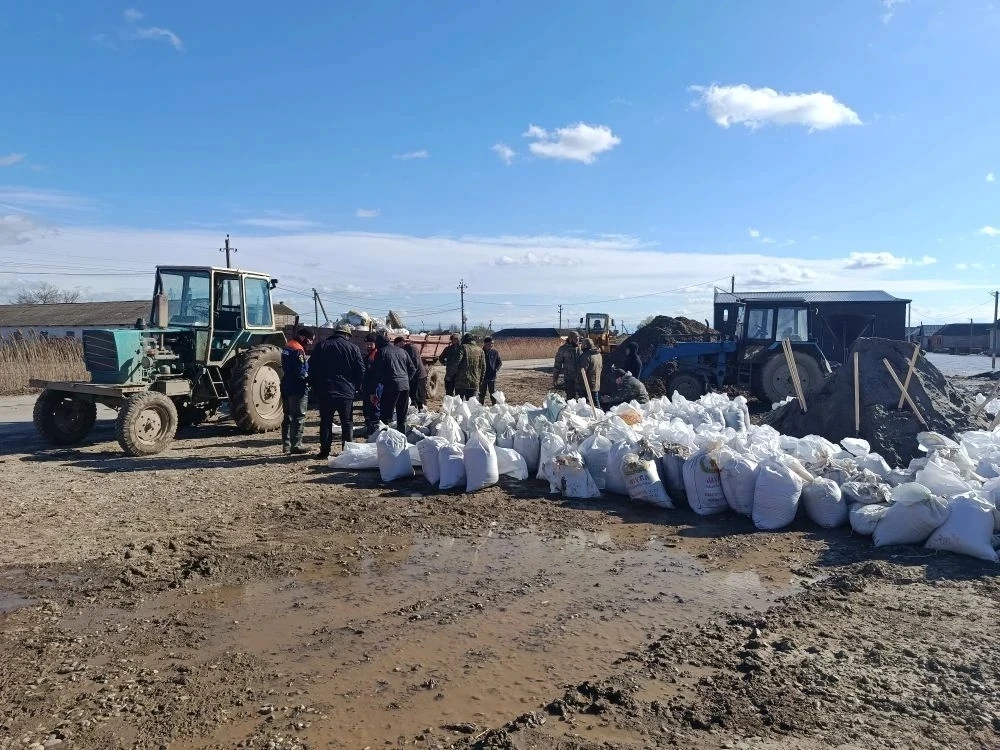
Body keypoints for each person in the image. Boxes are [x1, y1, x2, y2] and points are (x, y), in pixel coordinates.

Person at [309, 323, 365, 459]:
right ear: (346, 335)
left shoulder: (321, 346)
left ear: (335, 332)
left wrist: (315, 386)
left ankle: (324, 451)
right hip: (346, 392)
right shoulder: (353, 348)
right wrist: (358, 387)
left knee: (326, 421)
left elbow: (312, 367)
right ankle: (347, 451)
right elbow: (361, 370)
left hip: (326, 391)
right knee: (347, 422)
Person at [280, 326, 314, 455]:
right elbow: (301, 371)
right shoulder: (298, 350)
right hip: (297, 387)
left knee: (287, 415)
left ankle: (286, 445)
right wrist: (310, 380)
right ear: (303, 337)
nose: (310, 343)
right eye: (310, 339)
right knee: (299, 416)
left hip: (286, 384)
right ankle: (296, 445)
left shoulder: (288, 345)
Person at [375, 332, 416, 432]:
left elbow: (376, 373)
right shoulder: (402, 351)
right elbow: (413, 369)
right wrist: (406, 379)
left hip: (391, 386)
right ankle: (402, 437)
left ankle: (385, 438)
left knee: (385, 415)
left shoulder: (381, 352)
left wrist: (373, 390)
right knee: (402, 415)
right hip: (405, 386)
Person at [396, 336, 428, 411]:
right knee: (413, 396)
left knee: (419, 396)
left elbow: (415, 363)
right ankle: (416, 411)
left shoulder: (410, 348)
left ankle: (422, 411)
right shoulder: (405, 349)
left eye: (397, 345)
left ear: (401, 343)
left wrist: (409, 377)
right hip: (413, 375)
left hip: (418, 376)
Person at [454, 333, 486, 401]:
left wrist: (452, 375)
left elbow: (456, 363)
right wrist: (480, 380)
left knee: (458, 404)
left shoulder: (462, 347)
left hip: (461, 382)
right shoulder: (480, 350)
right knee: (471, 404)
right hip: (474, 382)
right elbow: (483, 367)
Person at [553, 331, 581, 399]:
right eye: (575, 339)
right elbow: (557, 364)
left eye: (578, 338)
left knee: (582, 400)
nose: (577, 340)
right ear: (570, 339)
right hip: (569, 378)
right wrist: (555, 378)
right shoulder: (563, 349)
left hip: (581, 379)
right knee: (570, 399)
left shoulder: (580, 348)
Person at [361, 333, 380, 433]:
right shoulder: (368, 355)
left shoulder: (377, 355)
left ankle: (374, 430)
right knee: (367, 409)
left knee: (374, 409)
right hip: (367, 387)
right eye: (367, 344)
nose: (368, 346)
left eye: (371, 344)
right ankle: (369, 427)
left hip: (374, 387)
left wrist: (373, 391)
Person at [479, 336, 503, 405]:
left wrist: (496, 369)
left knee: (493, 393)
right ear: (485, 344)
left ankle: (494, 406)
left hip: (492, 377)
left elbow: (499, 363)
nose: (491, 345)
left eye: (492, 343)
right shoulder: (481, 352)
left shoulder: (495, 352)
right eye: (490, 343)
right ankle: (480, 407)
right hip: (483, 377)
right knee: (482, 393)